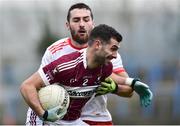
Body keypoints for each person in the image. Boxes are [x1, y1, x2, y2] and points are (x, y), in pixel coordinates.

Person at [21, 3, 153, 125]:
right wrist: (43, 114)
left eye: (86, 19)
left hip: (95, 115)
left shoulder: (108, 56)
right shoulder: (56, 53)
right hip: (60, 116)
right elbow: (35, 86)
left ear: (92, 23)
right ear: (67, 25)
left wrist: (119, 87)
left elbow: (127, 89)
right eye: (76, 20)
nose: (82, 24)